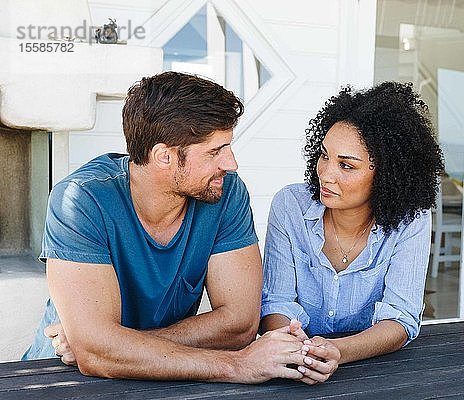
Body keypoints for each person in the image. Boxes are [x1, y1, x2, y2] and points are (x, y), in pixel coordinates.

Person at [22, 71, 312, 383]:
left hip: (170, 378)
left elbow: (239, 324)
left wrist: (111, 345)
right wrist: (237, 366)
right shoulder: (80, 200)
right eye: (215, 151)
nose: (231, 163)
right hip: (60, 379)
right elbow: (96, 357)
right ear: (164, 156)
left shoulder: (225, 193)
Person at [260, 82, 444, 383]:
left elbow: (401, 318)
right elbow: (276, 302)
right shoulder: (290, 205)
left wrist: (337, 351)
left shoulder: (412, 219)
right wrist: (299, 350)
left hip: (374, 372)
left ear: (388, 175)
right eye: (324, 156)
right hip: (292, 368)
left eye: (346, 166)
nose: (326, 173)